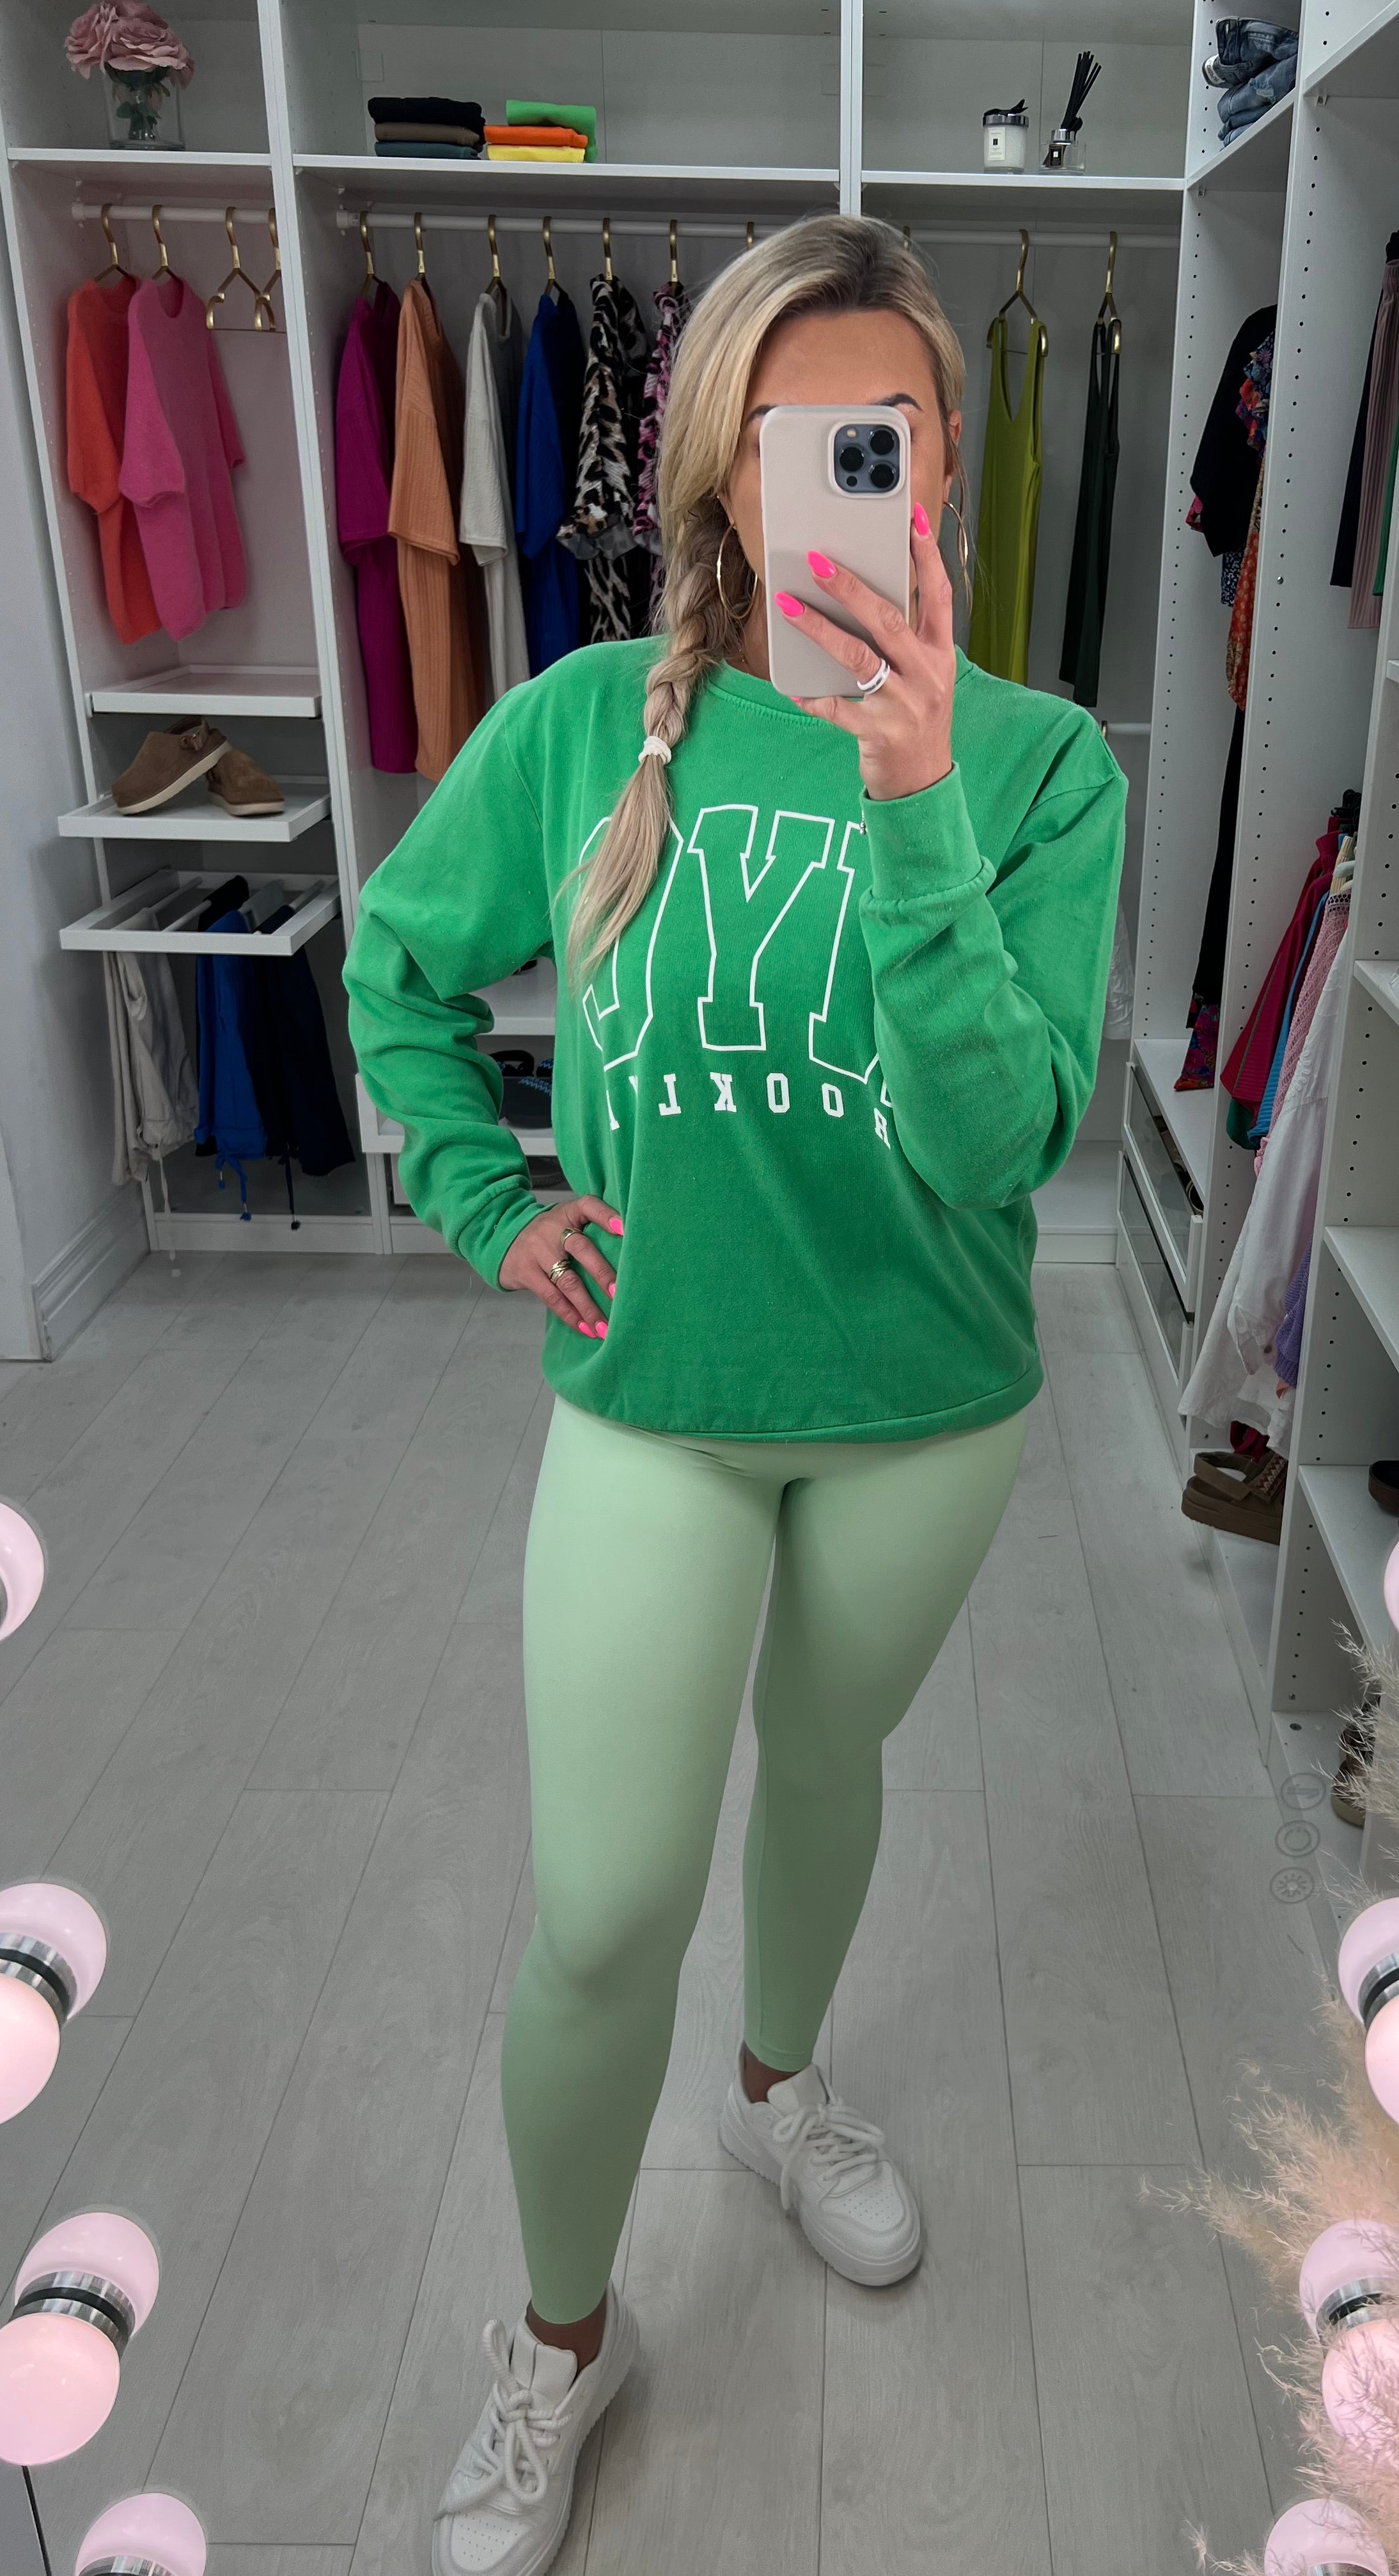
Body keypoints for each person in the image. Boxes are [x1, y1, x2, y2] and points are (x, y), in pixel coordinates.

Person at [344, 212, 1125, 2576]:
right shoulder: (592, 720)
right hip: (655, 1390)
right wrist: (486, 1198)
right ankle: (558, 2343)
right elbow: (398, 967)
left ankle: (783, 2093)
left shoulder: (1044, 767)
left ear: (946, 458)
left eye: (892, 431)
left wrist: (915, 796)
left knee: (832, 1752)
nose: (849, 474)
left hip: (926, 1401)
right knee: (602, 1911)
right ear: (725, 461)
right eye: (802, 437)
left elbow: (1000, 1143)